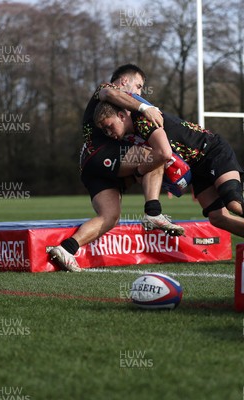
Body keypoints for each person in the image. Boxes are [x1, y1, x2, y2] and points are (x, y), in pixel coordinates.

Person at [94, 101, 244, 243]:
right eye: (103, 130)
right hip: (196, 165)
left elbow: (164, 154)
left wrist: (140, 171)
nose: (108, 133)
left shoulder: (142, 119)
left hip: (212, 151)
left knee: (235, 204)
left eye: (109, 126)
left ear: (122, 115)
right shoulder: (127, 137)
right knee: (217, 218)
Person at [48, 64, 184, 272]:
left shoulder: (118, 109)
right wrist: (144, 107)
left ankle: (66, 249)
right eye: (138, 86)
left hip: (89, 166)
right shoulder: (108, 89)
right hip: (102, 154)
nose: (139, 93)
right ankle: (153, 212)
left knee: (109, 217)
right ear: (123, 82)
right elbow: (109, 92)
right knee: (155, 155)